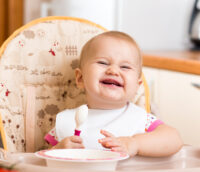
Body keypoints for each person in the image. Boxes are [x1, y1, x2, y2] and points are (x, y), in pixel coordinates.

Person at [44, 31, 183, 157]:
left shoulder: (142, 120)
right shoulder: (67, 120)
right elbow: (41, 162)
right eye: (103, 63)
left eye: (125, 67)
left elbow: (174, 139)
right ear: (80, 78)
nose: (113, 71)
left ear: (137, 86)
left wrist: (134, 144)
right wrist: (58, 150)